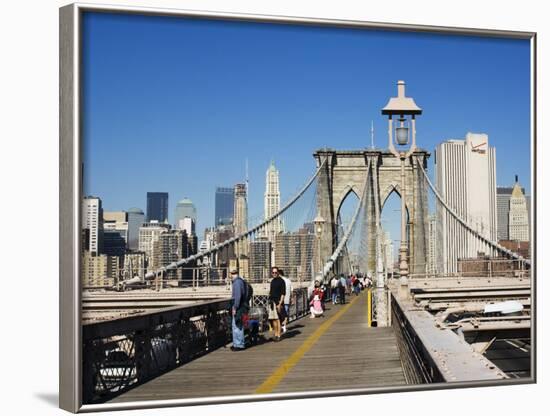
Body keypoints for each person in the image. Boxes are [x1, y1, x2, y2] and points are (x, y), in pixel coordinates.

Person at [230, 268, 247, 351]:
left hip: (238, 307)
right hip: (242, 306)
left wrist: (235, 307)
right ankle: (236, 343)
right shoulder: (241, 281)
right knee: (237, 324)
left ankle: (239, 344)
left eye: (231, 274)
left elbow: (237, 296)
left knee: (237, 325)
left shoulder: (236, 283)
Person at [268, 267, 286, 342]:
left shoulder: (281, 281)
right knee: (273, 319)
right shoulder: (272, 281)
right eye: (273, 273)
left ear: (278, 273)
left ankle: (279, 335)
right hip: (272, 302)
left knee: (278, 319)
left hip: (278, 302)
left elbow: (283, 293)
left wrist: (280, 303)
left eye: (276, 272)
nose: (274, 274)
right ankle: (275, 334)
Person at [280, 269, 292, 334]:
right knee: (285, 314)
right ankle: (284, 326)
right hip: (287, 299)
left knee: (279, 314)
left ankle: (281, 326)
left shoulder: (279, 281)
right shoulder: (288, 280)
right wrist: (291, 298)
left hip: (279, 301)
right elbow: (291, 290)